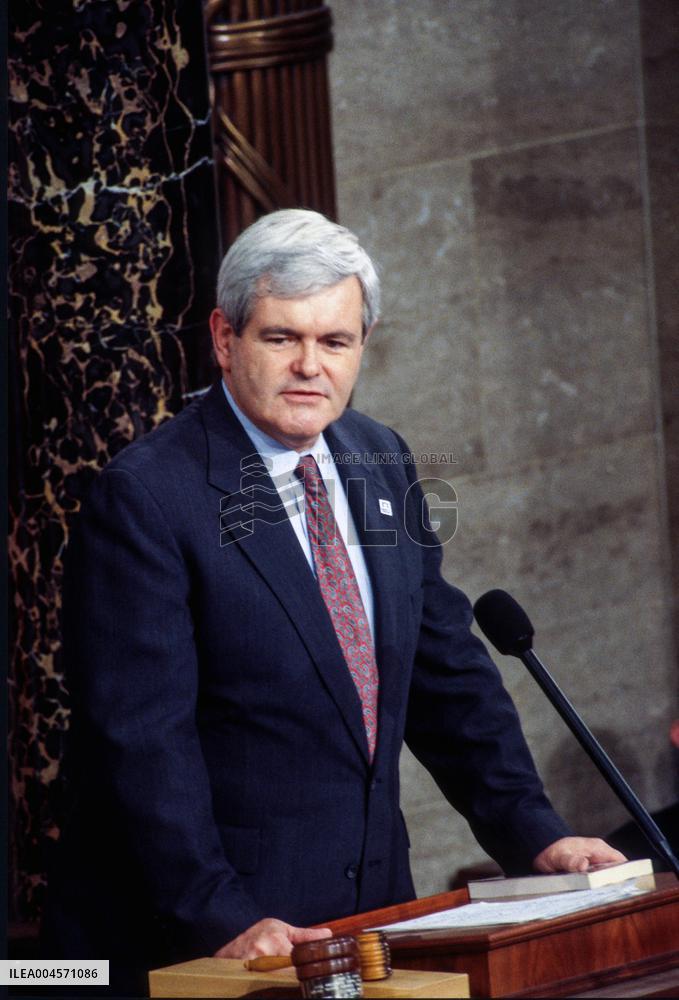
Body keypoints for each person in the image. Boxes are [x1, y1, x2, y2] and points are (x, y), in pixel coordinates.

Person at [44, 209, 624, 992]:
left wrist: (535, 835)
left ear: (362, 347)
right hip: (216, 938)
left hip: (368, 922)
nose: (308, 367)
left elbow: (443, 676)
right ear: (224, 338)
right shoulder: (148, 498)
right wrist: (222, 914)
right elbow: (142, 741)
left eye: (334, 342)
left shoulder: (379, 458)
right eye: (281, 338)